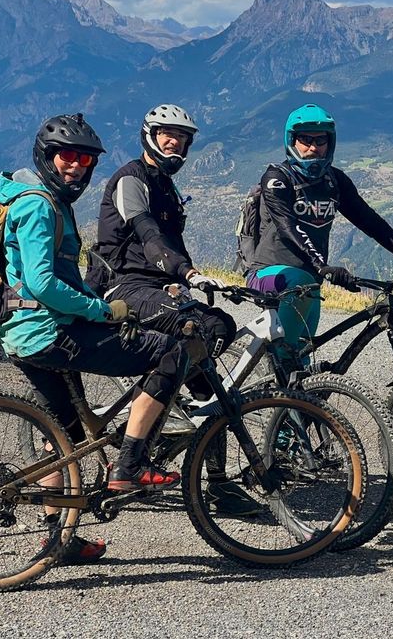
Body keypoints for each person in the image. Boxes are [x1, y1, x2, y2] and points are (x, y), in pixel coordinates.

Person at [0, 113, 186, 565]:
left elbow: (60, 279)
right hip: (50, 332)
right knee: (172, 353)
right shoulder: (40, 205)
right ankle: (131, 465)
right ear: (47, 156)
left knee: (60, 433)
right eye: (68, 155)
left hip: (27, 334)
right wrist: (103, 310)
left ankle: (57, 538)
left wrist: (95, 303)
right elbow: (43, 284)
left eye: (85, 158)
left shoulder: (40, 199)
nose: (77, 166)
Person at [88, 104, 252, 516]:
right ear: (149, 135)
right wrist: (188, 272)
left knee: (217, 335)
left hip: (160, 286)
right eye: (166, 133)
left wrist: (202, 282)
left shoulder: (166, 185)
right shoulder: (131, 179)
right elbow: (147, 236)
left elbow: (171, 245)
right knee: (192, 329)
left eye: (181, 137)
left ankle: (215, 483)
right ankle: (128, 461)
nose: (174, 141)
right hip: (122, 286)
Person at [246, 103, 393, 366]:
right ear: (291, 141)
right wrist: (322, 266)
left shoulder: (335, 181)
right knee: (287, 357)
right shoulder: (277, 178)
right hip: (269, 276)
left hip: (310, 281)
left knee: (303, 362)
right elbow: (287, 226)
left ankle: (294, 400)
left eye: (320, 141)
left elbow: (372, 224)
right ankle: (254, 398)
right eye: (305, 140)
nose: (313, 147)